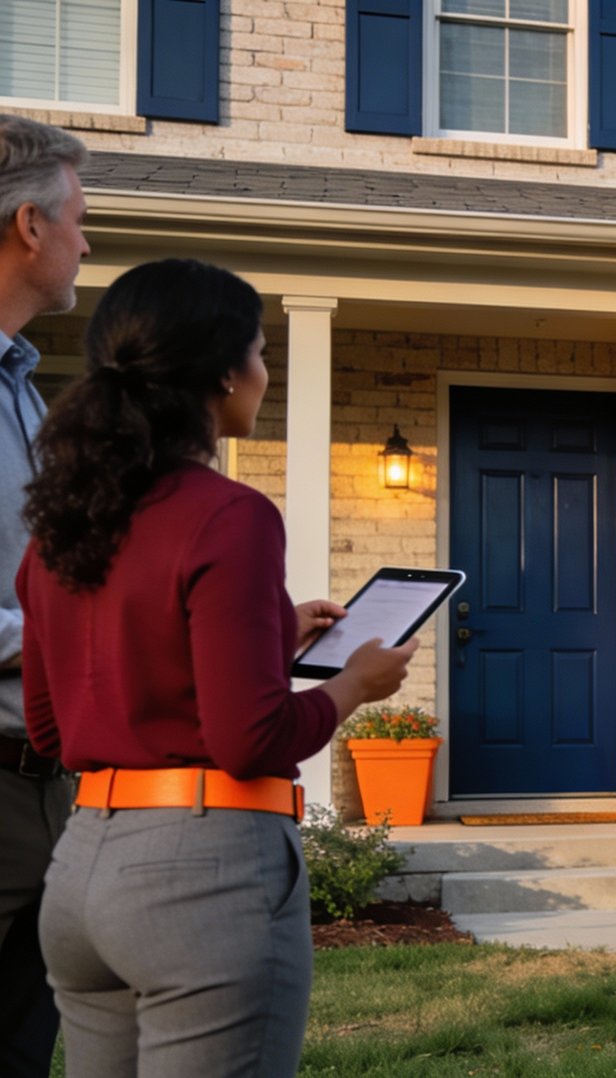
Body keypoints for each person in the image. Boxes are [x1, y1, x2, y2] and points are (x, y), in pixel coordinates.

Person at [17, 259, 418, 1076]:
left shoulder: (62, 524)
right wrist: (353, 685)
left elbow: (53, 725)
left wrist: (272, 630)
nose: (266, 373)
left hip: (81, 871)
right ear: (225, 374)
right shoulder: (230, 514)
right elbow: (251, 738)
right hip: (199, 879)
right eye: (262, 352)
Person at [0, 113, 89, 1078]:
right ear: (30, 224)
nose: (85, 242)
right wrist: (62, 635)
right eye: (78, 220)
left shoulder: (23, 389)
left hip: (43, 778)